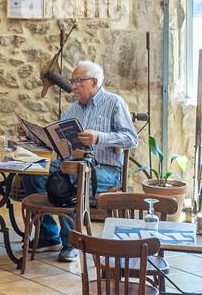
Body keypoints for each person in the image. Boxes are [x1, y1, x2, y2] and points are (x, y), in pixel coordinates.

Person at [17, 60, 137, 261]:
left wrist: (99, 137)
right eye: (73, 81)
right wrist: (33, 135)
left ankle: (71, 241)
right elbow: (57, 141)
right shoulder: (74, 109)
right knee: (33, 172)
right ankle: (48, 235)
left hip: (105, 170)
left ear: (94, 82)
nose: (73, 87)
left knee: (69, 179)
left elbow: (131, 139)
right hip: (72, 165)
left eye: (78, 81)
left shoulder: (114, 102)